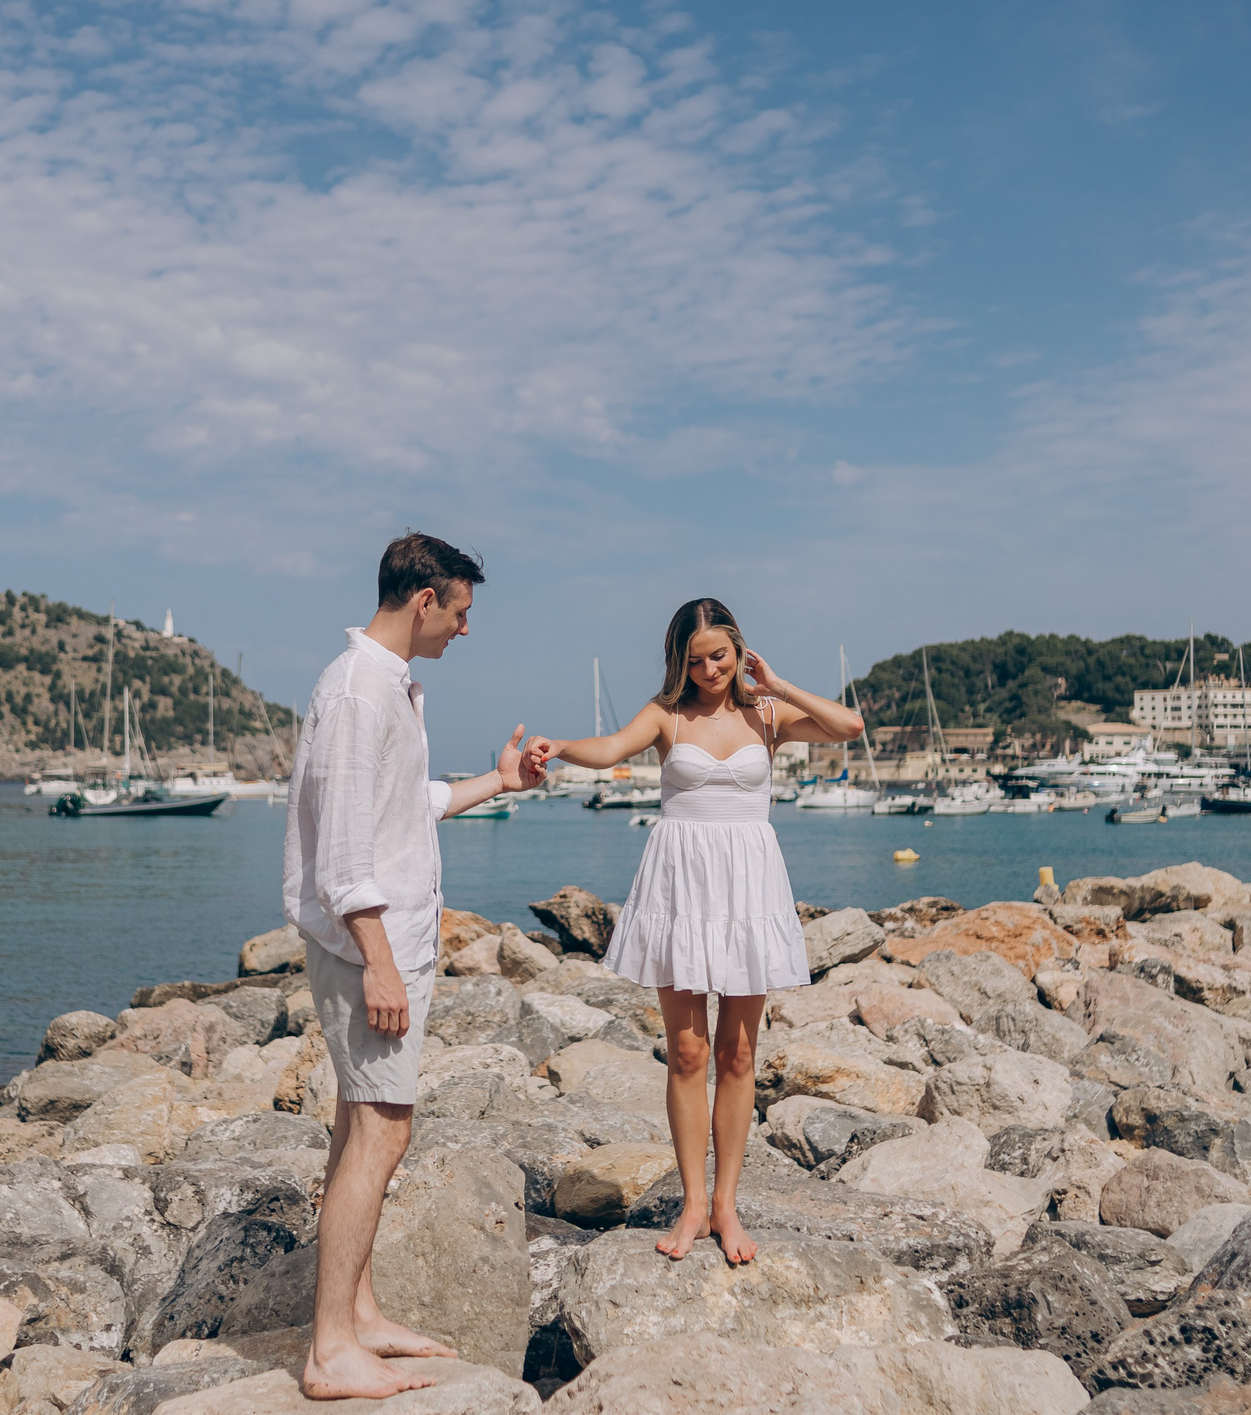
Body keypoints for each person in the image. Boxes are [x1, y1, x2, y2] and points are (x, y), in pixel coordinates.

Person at [284, 532, 548, 1401]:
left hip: (377, 943)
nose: (466, 630)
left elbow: (411, 806)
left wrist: (500, 782)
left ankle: (354, 1313)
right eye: (462, 612)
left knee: (359, 1122)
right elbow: (347, 860)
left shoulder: (387, 686)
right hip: (370, 947)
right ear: (425, 598)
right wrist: (381, 966)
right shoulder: (361, 691)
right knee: (385, 1126)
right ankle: (330, 1351)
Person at [528, 598, 863, 1266]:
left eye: (721, 654)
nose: (710, 669)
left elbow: (849, 726)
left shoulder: (766, 713)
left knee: (739, 1054)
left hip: (748, 885)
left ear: (740, 650)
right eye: (696, 659)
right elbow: (611, 749)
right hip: (681, 883)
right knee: (687, 1051)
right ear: (679, 661)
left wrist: (779, 684)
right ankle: (691, 1202)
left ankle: (727, 1206)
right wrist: (562, 747)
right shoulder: (665, 714)